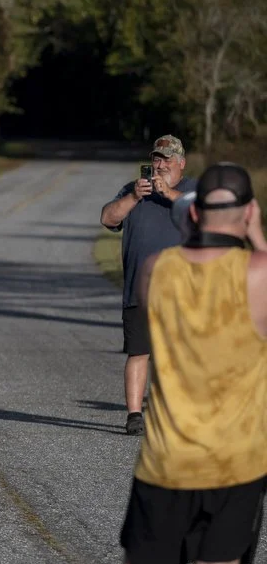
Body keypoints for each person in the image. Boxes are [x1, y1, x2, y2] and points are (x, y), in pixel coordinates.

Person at [79, 162, 267, 564]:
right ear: (249, 214)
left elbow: (183, 240)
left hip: (167, 459)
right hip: (237, 462)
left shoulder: (159, 272)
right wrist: (254, 234)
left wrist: (189, 221)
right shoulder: (259, 278)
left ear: (192, 212)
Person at [100, 134, 198, 435]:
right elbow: (107, 218)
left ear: (181, 163)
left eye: (167, 160)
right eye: (157, 158)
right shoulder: (133, 190)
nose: (160, 164)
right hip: (139, 288)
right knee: (138, 352)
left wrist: (168, 193)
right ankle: (134, 415)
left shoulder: (192, 189)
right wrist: (134, 198)